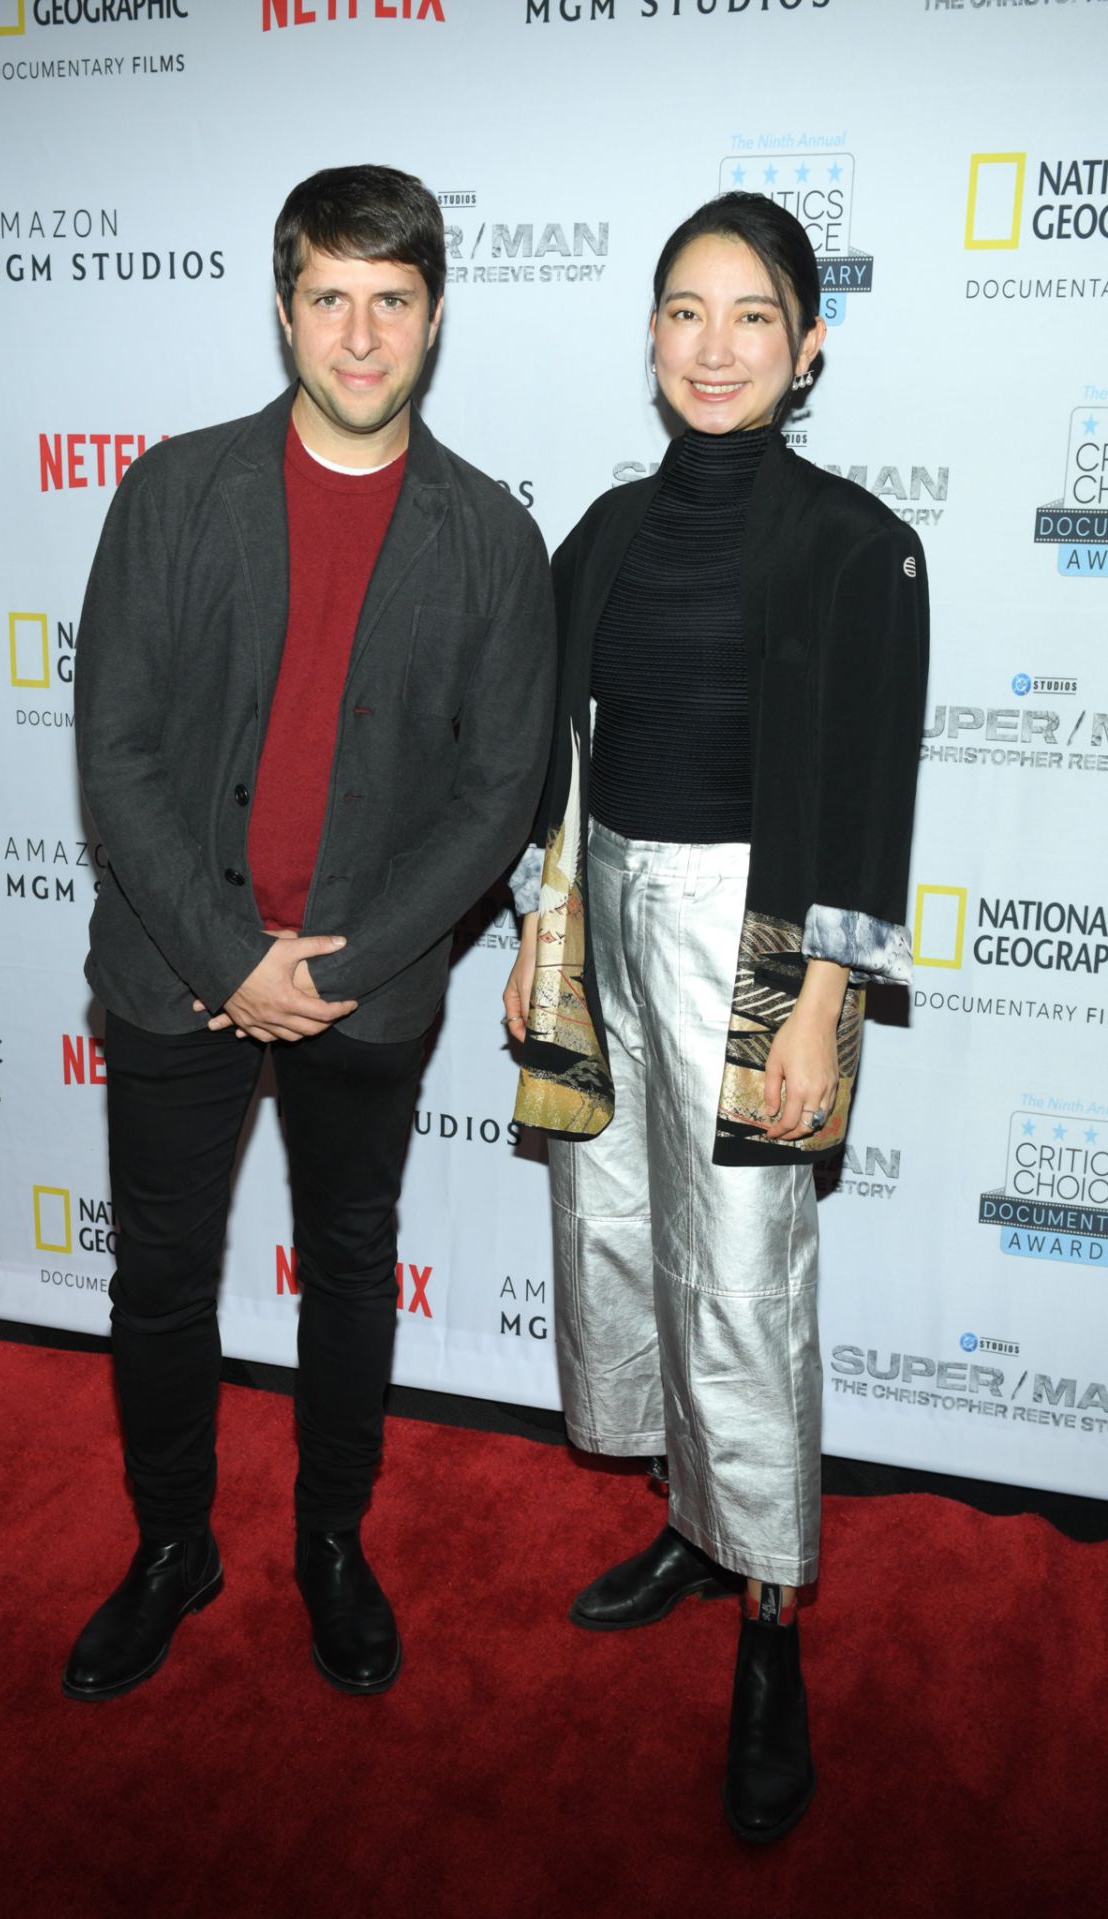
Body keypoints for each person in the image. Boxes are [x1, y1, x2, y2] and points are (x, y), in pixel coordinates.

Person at [67, 164, 555, 1703]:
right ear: (285, 310)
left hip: (371, 989)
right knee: (160, 1275)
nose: (360, 335)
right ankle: (170, 1548)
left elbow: (499, 795)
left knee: (350, 1266)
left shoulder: (491, 537)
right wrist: (230, 960)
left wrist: (327, 972)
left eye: (391, 301)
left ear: (433, 320)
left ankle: (330, 1544)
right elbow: (117, 750)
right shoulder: (172, 492)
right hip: (174, 971)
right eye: (330, 297)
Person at [504, 192, 928, 1842]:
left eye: (753, 315)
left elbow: (869, 797)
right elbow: (551, 755)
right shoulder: (601, 532)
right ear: (654, 337)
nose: (716, 344)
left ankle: (773, 1621)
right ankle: (695, 1518)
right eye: (687, 310)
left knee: (744, 1272)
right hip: (604, 912)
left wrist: (821, 1004)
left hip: (760, 941)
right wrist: (545, 925)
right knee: (620, 1226)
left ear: (808, 346)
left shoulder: (855, 541)